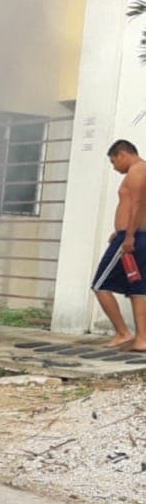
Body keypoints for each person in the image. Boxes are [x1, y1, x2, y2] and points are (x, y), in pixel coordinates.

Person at [91, 139, 146, 350]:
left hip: (130, 239)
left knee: (99, 285)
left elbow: (138, 204)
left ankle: (123, 332)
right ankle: (141, 339)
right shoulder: (140, 170)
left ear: (122, 154)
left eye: (114, 162)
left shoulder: (137, 170)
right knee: (137, 287)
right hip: (133, 235)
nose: (114, 168)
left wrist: (128, 235)